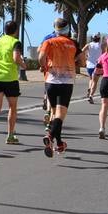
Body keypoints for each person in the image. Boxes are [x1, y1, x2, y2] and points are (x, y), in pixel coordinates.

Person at [37, 19, 82, 156]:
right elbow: (83, 60)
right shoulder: (73, 43)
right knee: (60, 116)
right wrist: (72, 62)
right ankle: (49, 136)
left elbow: (41, 57)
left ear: (55, 29)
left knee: (55, 114)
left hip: (50, 81)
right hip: (66, 82)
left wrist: (44, 66)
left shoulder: (49, 42)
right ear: (68, 29)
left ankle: (60, 143)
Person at [83, 33, 103, 103]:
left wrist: (85, 57)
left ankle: (89, 88)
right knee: (95, 81)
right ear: (99, 38)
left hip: (89, 65)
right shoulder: (101, 45)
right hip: (97, 65)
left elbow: (82, 51)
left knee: (91, 79)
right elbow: (104, 53)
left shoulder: (89, 45)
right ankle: (91, 95)